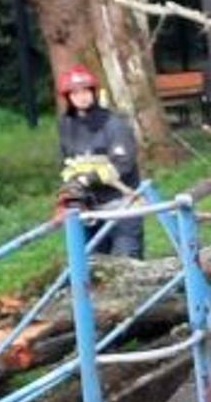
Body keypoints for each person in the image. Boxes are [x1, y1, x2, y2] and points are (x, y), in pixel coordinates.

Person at [55, 65, 144, 259]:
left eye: (86, 91)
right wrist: (71, 184)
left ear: (94, 92)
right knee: (94, 265)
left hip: (121, 204)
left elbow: (123, 164)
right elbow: (65, 162)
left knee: (127, 261)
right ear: (68, 97)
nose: (82, 96)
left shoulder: (114, 124)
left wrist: (87, 180)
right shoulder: (66, 125)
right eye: (75, 93)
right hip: (88, 208)